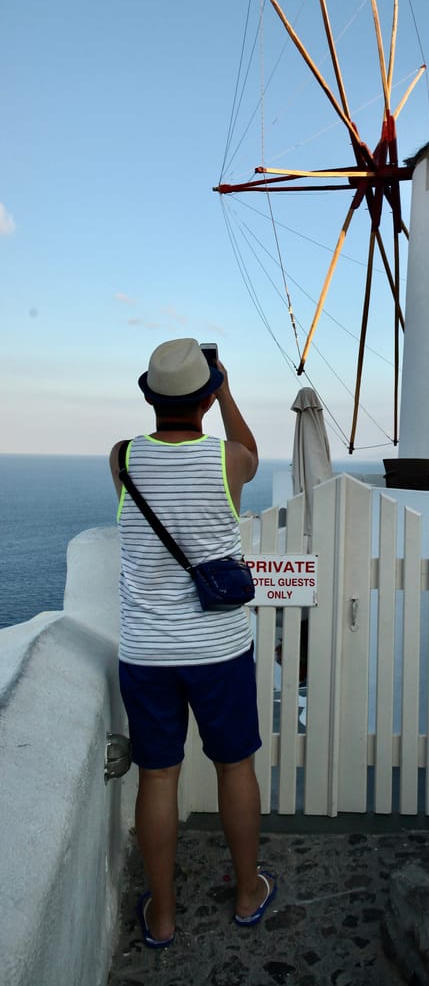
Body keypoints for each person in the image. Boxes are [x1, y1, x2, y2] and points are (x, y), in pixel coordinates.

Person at [110, 338, 275, 948]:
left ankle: (163, 917)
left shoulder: (121, 458)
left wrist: (207, 389)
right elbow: (252, 451)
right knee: (235, 765)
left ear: (150, 397)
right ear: (206, 398)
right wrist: (225, 387)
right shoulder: (227, 461)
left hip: (147, 653)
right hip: (219, 649)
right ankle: (246, 893)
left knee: (158, 777)